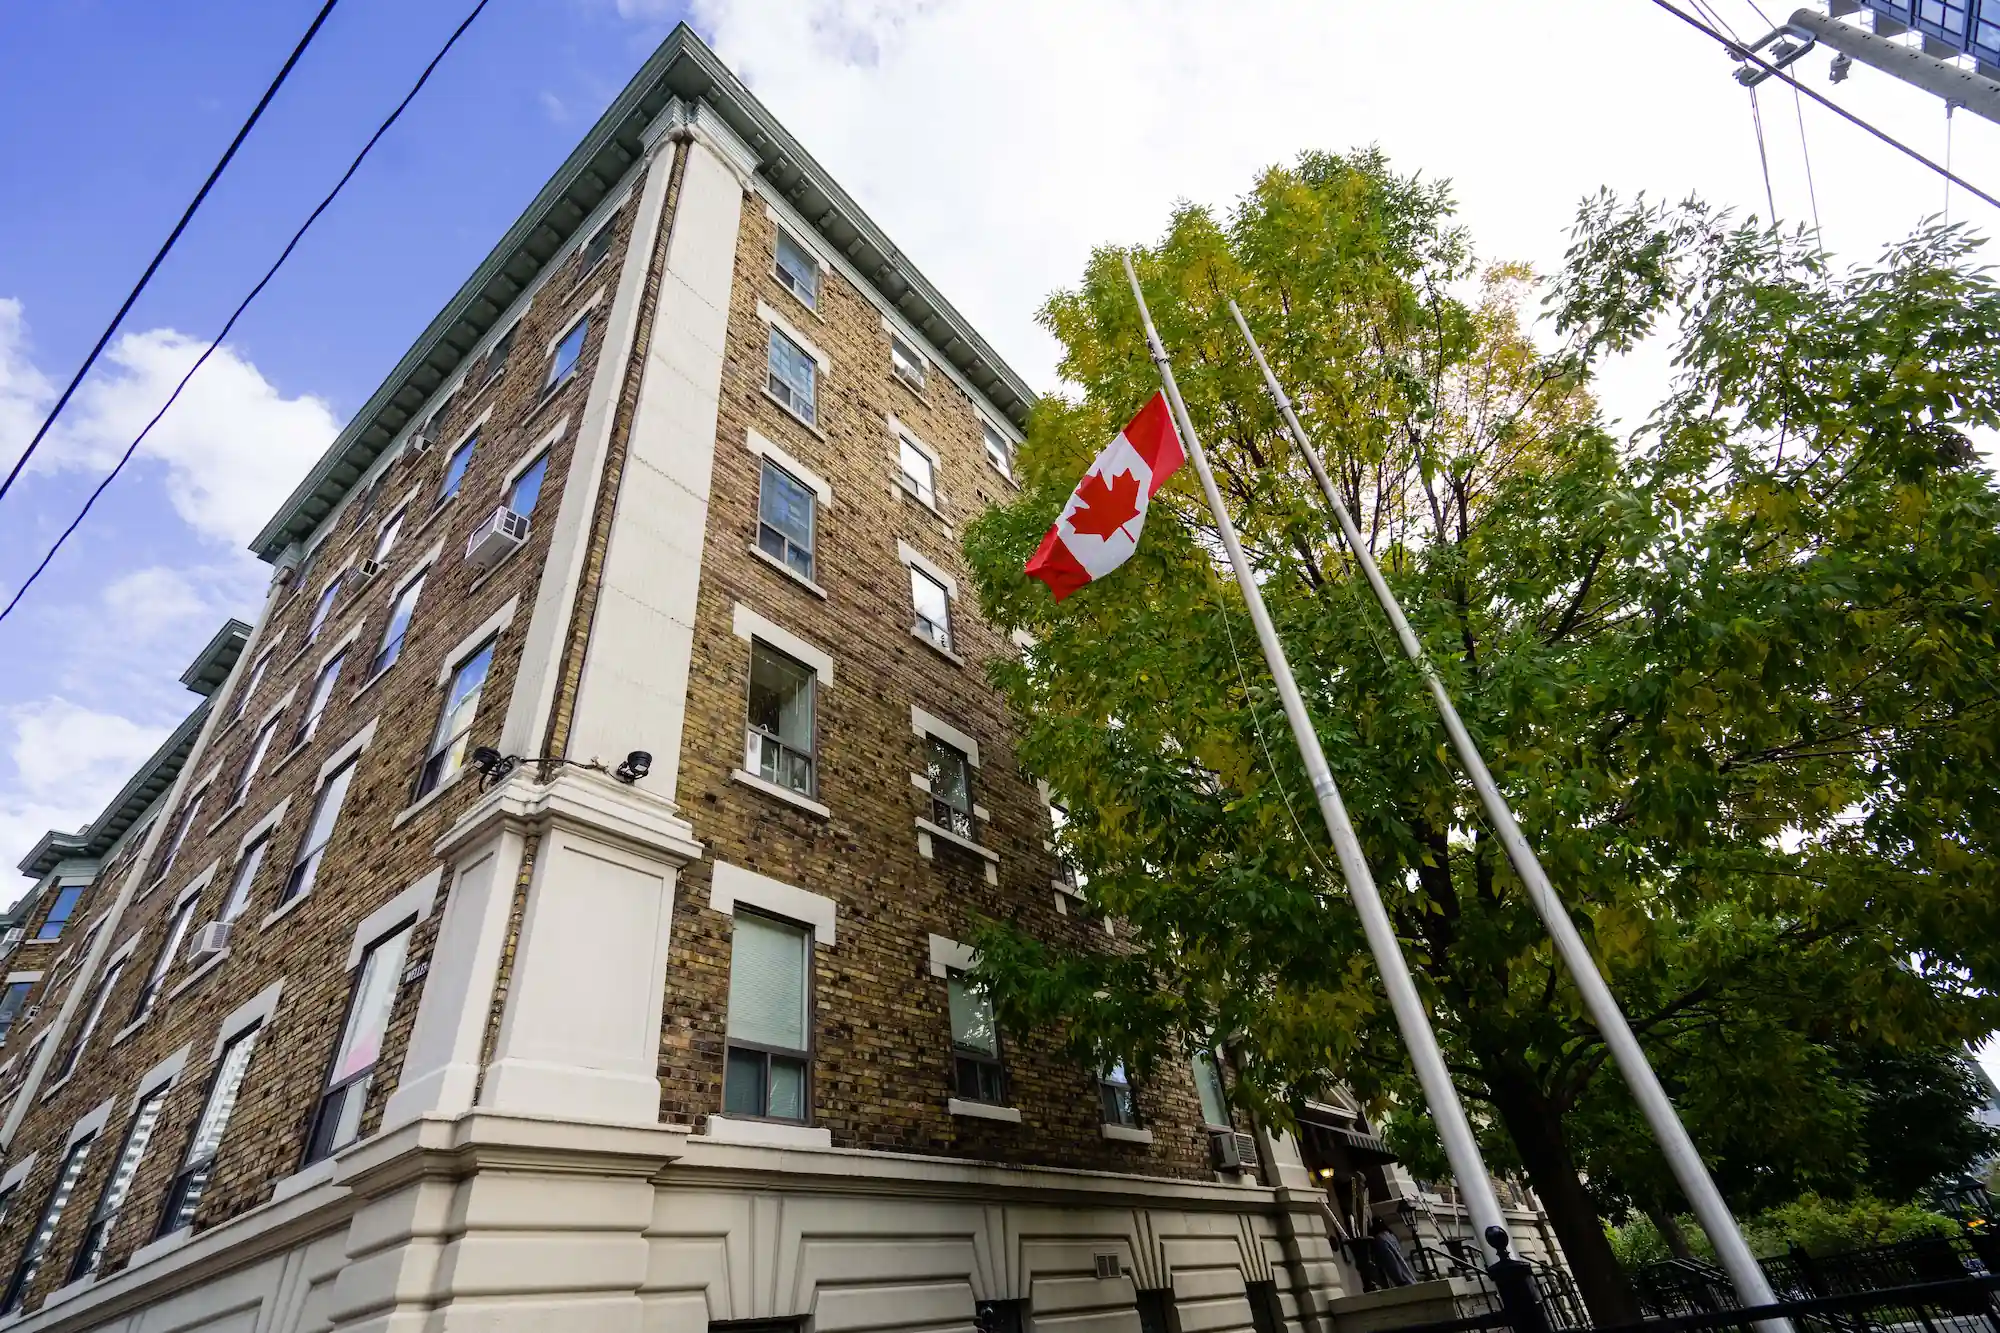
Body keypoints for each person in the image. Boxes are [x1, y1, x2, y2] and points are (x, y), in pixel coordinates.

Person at [1371, 1216, 1417, 1287]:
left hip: (1399, 1280)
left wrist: (1399, 1280)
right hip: (1406, 1274)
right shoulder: (1392, 1236)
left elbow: (1390, 1259)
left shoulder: (1380, 1239)